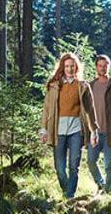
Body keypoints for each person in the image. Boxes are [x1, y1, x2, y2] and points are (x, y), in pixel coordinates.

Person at [39, 51, 97, 199]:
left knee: (74, 165)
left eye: (73, 66)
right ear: (62, 68)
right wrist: (43, 129)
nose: (70, 69)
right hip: (58, 129)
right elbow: (46, 109)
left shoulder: (83, 86)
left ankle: (70, 197)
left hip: (76, 129)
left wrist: (93, 131)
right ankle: (67, 190)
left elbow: (90, 111)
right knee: (60, 168)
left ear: (76, 68)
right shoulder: (54, 86)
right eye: (67, 66)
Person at [86, 54, 111, 194]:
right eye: (100, 65)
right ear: (96, 67)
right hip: (94, 133)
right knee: (91, 161)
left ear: (109, 67)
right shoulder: (90, 85)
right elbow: (86, 111)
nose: (102, 68)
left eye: (105, 65)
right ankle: (101, 184)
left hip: (110, 131)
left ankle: (108, 192)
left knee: (109, 164)